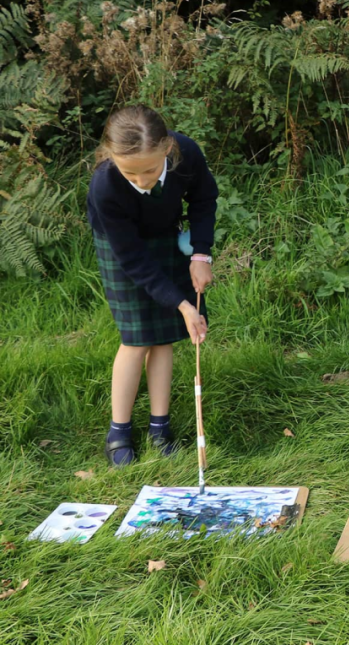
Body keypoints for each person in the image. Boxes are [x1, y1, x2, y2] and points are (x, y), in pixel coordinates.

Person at [86, 105, 218, 466]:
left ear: (167, 149)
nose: (142, 181)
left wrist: (200, 255)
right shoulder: (106, 184)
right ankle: (119, 432)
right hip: (122, 248)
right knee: (136, 338)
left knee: (163, 338)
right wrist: (184, 304)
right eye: (131, 172)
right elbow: (133, 260)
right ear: (111, 158)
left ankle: (160, 428)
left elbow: (204, 199)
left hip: (164, 234)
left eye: (149, 170)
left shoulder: (186, 153)